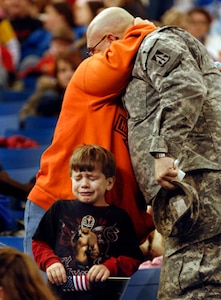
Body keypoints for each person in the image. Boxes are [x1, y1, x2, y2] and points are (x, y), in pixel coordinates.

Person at [85, 6, 221, 299]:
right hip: (190, 184)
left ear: (110, 39)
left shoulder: (154, 43)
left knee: (192, 286)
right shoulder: (141, 58)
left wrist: (162, 154)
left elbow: (185, 87)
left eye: (92, 51)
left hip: (201, 181)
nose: (92, 60)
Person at [24, 11, 156, 258]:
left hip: (103, 223)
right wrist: (143, 28)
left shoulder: (139, 100)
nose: (91, 56)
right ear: (113, 41)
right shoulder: (87, 72)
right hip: (56, 208)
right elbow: (119, 60)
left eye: (91, 49)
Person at [32, 144, 144, 300]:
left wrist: (109, 268)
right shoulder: (59, 208)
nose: (84, 184)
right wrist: (51, 263)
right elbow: (39, 243)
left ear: (109, 182)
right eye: (78, 178)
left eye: (92, 178)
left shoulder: (119, 217)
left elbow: (133, 258)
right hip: (58, 295)